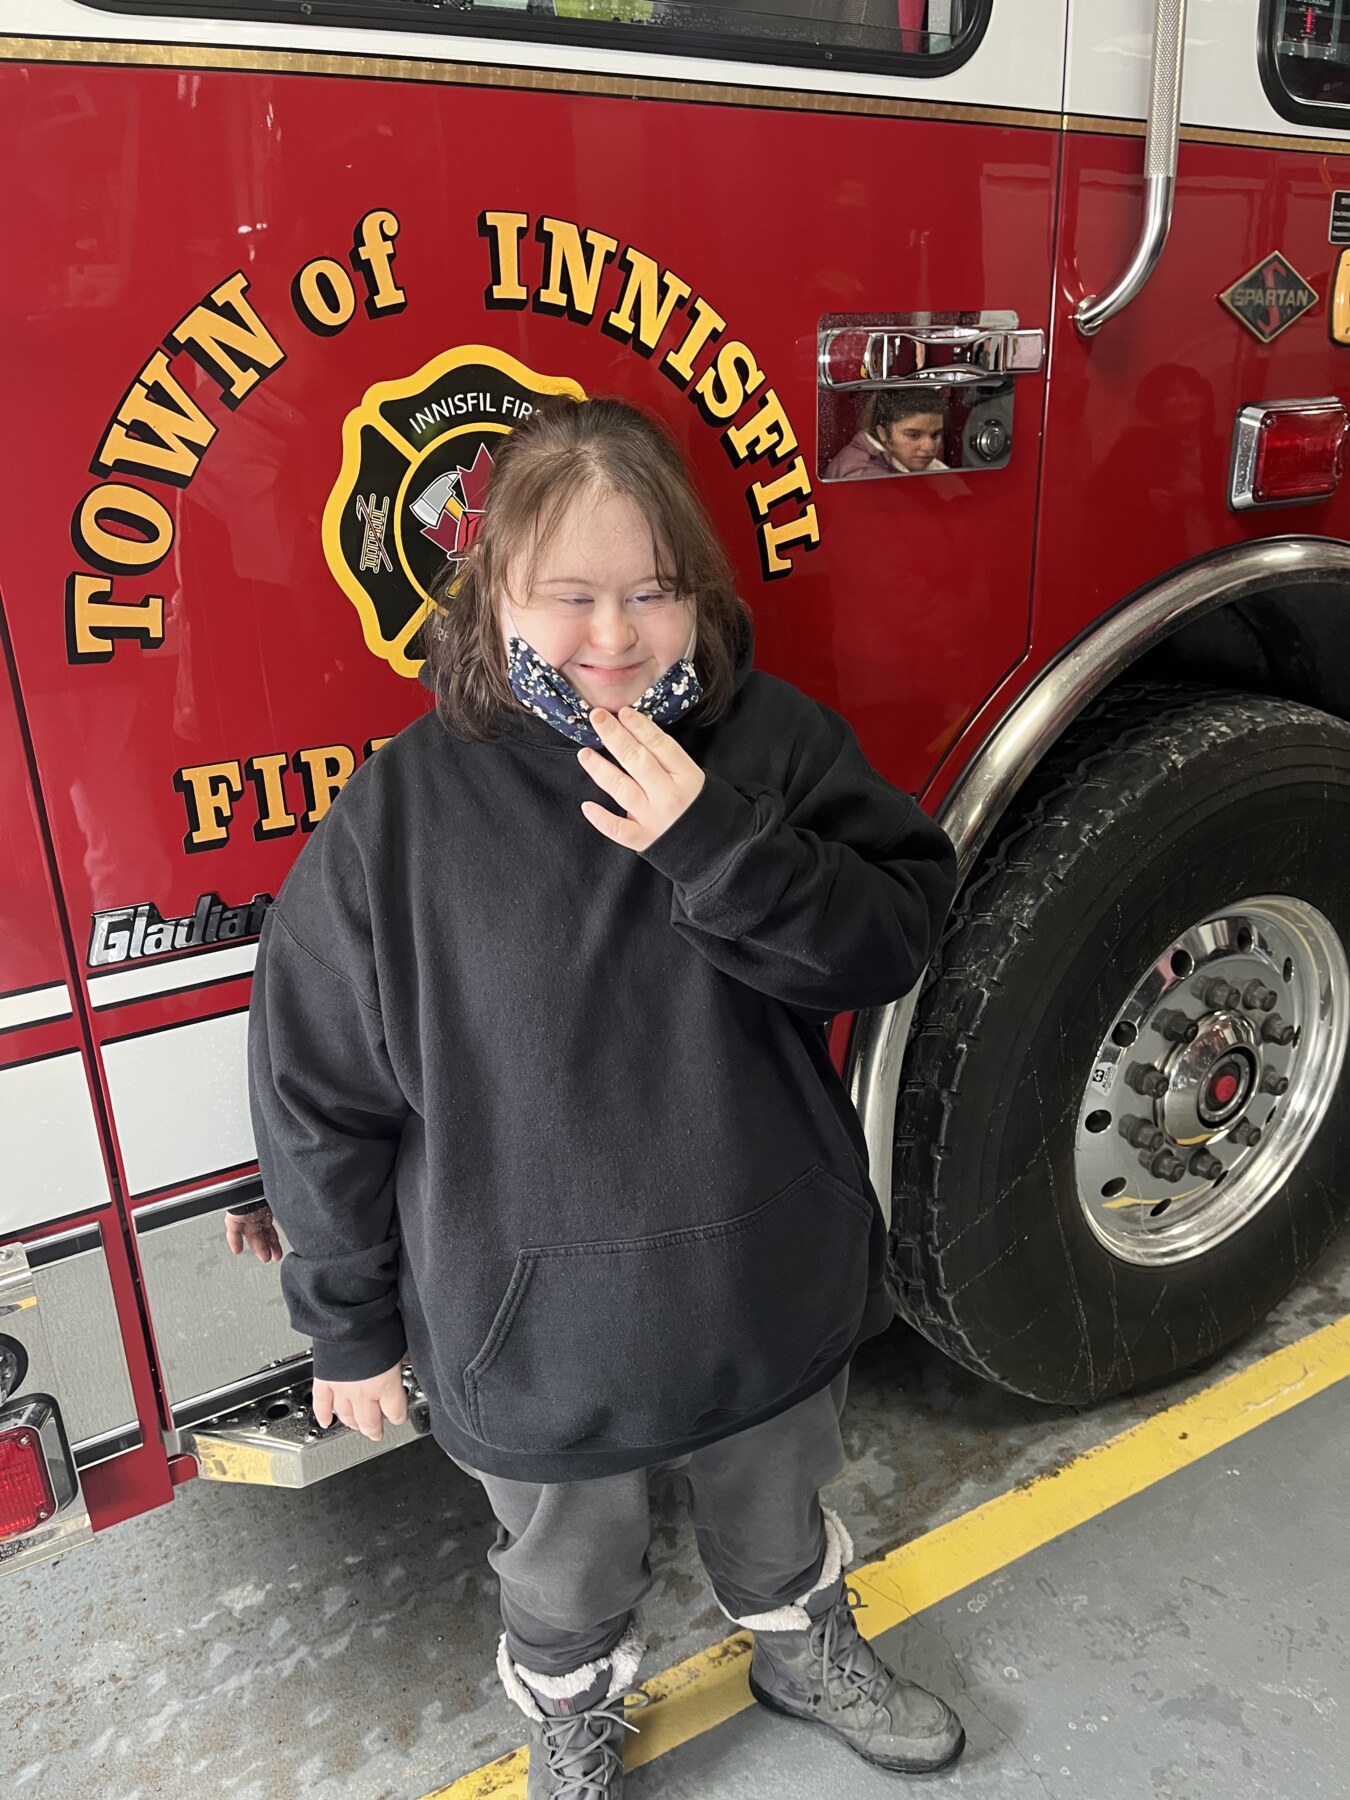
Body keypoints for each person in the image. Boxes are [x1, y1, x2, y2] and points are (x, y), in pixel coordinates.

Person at [241, 396, 964, 1794]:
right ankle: (570, 1705)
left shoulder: (773, 745)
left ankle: (799, 1644)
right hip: (533, 1325)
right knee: (563, 1569)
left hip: (762, 1273)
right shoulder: (399, 816)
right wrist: (347, 1326)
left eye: (652, 591)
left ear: (697, 593)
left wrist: (720, 845)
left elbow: (892, 937)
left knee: (779, 1511)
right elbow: (319, 1091)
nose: (615, 636)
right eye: (568, 596)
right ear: (492, 595)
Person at [825, 388, 950, 479]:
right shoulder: (863, 476)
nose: (929, 446)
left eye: (935, 435)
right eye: (913, 435)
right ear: (883, 433)